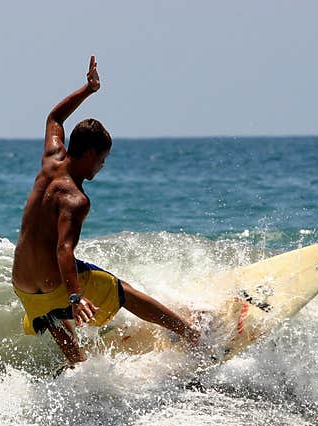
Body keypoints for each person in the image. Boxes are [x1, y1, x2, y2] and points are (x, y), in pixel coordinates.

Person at [11, 55, 202, 366]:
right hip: (51, 279)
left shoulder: (51, 158)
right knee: (119, 290)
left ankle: (80, 368)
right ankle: (192, 334)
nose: (102, 166)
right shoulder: (75, 199)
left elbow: (54, 117)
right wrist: (75, 297)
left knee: (52, 314)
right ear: (88, 153)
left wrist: (88, 90)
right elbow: (64, 249)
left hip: (21, 281)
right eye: (102, 159)